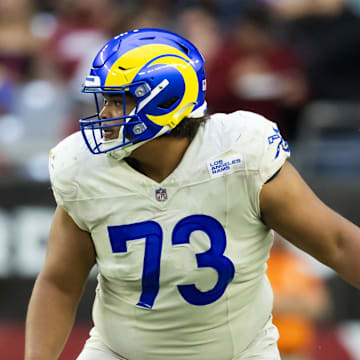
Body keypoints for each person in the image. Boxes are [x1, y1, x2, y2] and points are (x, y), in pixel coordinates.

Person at [25, 28, 360, 360]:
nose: (104, 114)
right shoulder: (84, 168)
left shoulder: (239, 154)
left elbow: (337, 243)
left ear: (163, 99)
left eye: (117, 100)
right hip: (120, 353)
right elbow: (59, 283)